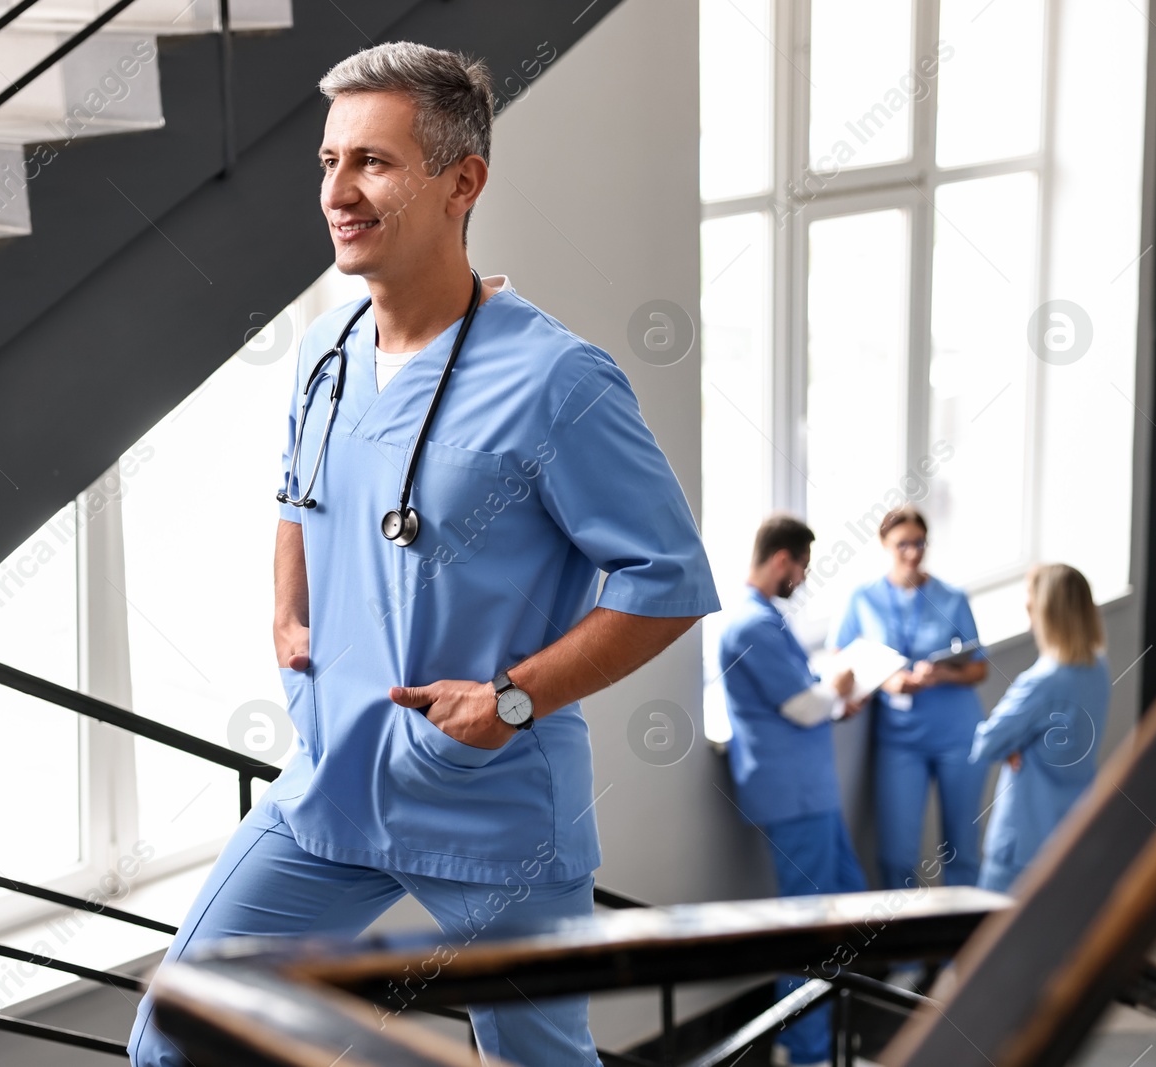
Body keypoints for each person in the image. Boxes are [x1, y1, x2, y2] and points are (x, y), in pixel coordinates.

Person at [127, 42, 720, 1066]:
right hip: (331, 785)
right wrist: (285, 611)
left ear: (463, 181)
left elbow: (667, 580)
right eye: (328, 161)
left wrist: (516, 697)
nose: (338, 192)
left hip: (491, 807)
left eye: (373, 162)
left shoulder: (555, 380)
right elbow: (295, 491)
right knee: (176, 1037)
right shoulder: (324, 352)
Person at [721, 514, 866, 1067]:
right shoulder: (748, 625)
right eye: (802, 567)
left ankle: (827, 1029)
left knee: (851, 901)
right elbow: (803, 705)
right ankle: (805, 1049)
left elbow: (806, 697)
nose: (803, 579)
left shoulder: (764, 620)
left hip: (810, 792)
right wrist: (839, 687)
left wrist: (833, 699)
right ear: (783, 559)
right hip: (792, 795)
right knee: (810, 924)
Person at [830, 506, 988, 893]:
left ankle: (961, 951)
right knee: (897, 857)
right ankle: (906, 955)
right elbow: (840, 658)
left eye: (920, 543)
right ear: (885, 544)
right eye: (903, 544)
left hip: (958, 737)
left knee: (961, 852)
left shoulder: (951, 597)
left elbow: (979, 668)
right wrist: (885, 681)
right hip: (900, 742)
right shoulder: (862, 599)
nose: (913, 553)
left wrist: (943, 675)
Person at [969, 564, 1109, 894]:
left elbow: (985, 744)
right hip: (1073, 828)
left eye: (1030, 600)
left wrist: (1013, 746)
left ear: (1045, 612)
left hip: (1023, 842)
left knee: (991, 937)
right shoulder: (1098, 667)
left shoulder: (1041, 682)